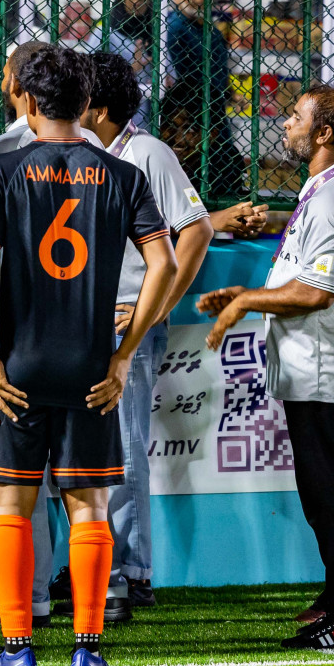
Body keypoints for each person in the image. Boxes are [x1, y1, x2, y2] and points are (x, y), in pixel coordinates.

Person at [0, 45, 177, 666]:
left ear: (26, 100)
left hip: (20, 367)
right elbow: (163, 263)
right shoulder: (123, 173)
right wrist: (124, 353)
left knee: (11, 506)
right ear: (86, 105)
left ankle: (18, 654)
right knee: (89, 506)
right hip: (90, 369)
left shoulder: (2, 169)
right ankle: (87, 655)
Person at [197, 86, 334, 651]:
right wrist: (250, 292)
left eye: (296, 117)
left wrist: (246, 301)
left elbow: (316, 292)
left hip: (326, 370)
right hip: (316, 367)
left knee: (332, 495)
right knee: (326, 493)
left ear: (324, 134)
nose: (285, 125)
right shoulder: (330, 187)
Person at [81, 51, 215, 617]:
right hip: (89, 317)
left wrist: (157, 306)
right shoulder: (88, 152)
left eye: (83, 95)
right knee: (92, 446)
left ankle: (132, 571)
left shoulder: (147, 153)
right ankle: (96, 565)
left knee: (125, 445)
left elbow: (197, 229)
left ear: (102, 108)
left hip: (126, 321)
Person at [165, 0, 244, 199]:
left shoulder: (210, 30)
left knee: (223, 161)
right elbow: (180, 74)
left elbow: (220, 68)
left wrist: (231, 93)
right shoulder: (173, 28)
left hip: (215, 107)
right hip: (191, 112)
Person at [94, 0, 156, 124]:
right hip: (113, 119)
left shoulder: (155, 33)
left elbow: (170, 75)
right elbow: (91, 74)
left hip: (149, 119)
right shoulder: (106, 32)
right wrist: (131, 70)